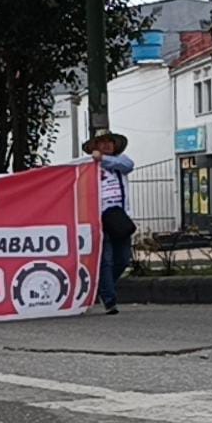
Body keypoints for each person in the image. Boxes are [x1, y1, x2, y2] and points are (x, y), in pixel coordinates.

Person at [85, 131, 135, 315]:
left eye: (110, 142)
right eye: (102, 142)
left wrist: (103, 159)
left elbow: (128, 165)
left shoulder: (120, 162)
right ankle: (109, 299)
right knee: (105, 260)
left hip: (119, 218)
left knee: (123, 258)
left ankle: (103, 287)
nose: (106, 145)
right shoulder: (88, 165)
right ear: (95, 146)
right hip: (98, 218)